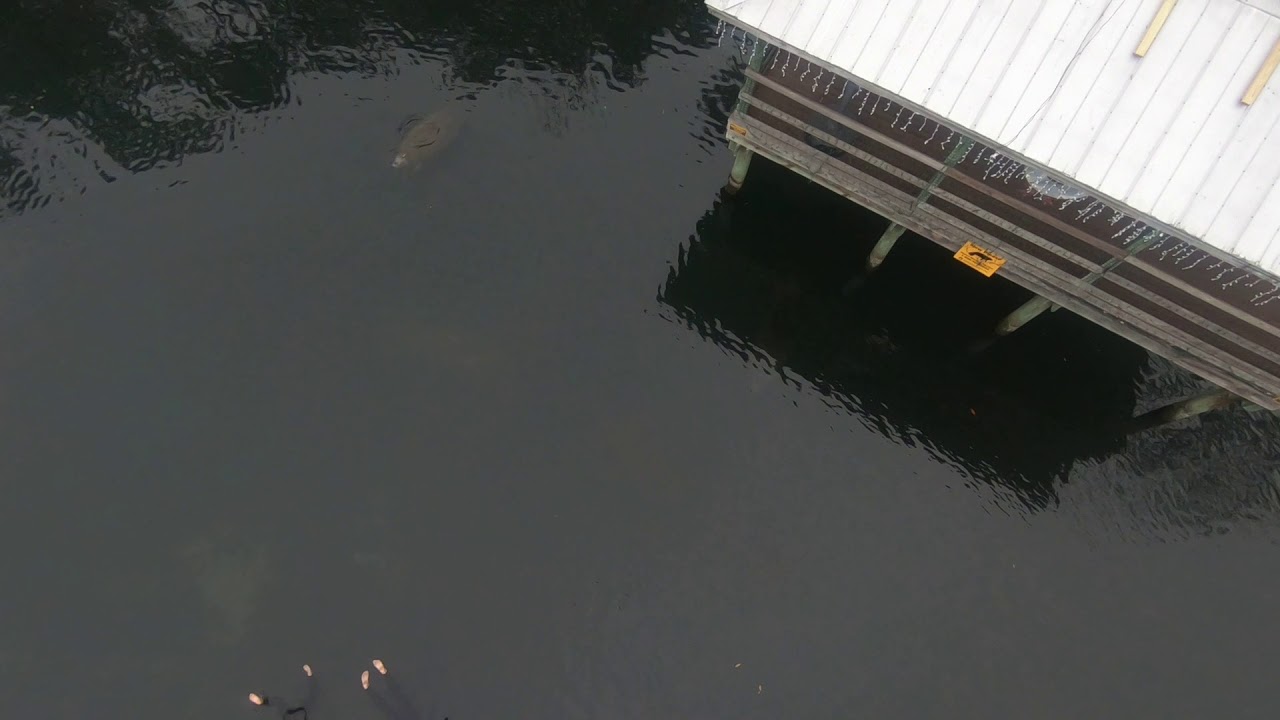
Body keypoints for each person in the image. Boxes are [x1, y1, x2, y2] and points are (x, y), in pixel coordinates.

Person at [249, 664, 315, 719]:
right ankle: (261, 701)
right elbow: (310, 694)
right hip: (296, 711)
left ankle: (261, 701)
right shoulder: (302, 708)